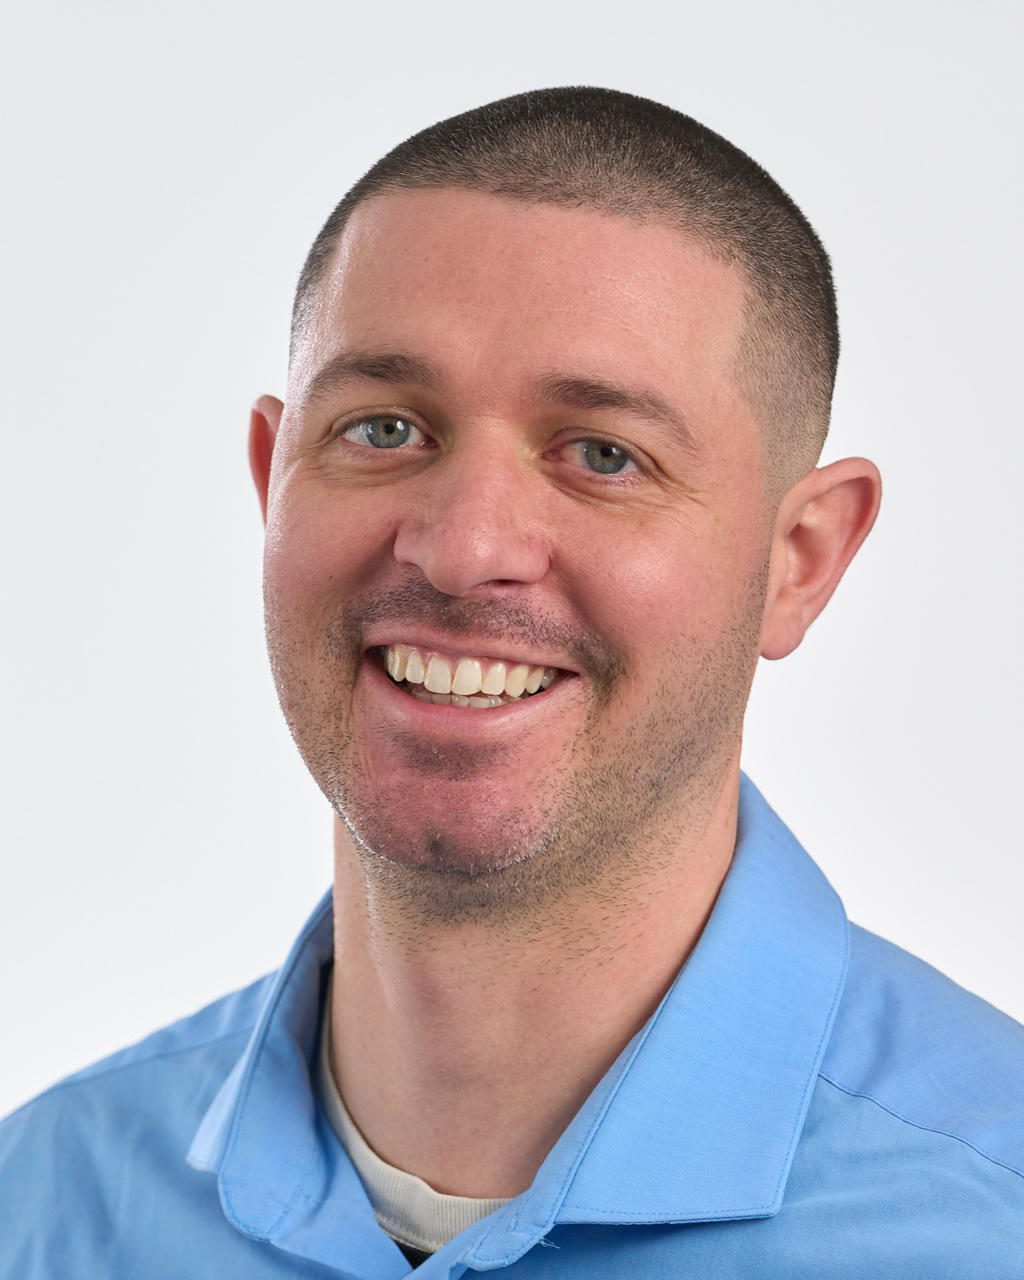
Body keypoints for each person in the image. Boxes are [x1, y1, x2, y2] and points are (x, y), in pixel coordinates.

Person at [1, 85, 1021, 1278]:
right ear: (273, 478)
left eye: (603, 454)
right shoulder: (42, 1206)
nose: (462, 546)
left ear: (799, 560)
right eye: (384, 428)